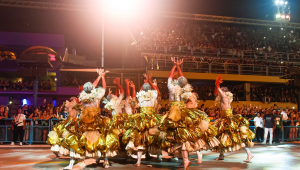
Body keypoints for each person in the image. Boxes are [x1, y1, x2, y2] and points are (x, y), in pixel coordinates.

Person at [212, 75, 255, 162]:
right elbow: (216, 92)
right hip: (223, 119)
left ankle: (249, 153)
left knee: (236, 138)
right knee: (221, 138)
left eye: (222, 90)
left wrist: (217, 82)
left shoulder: (224, 98)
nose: (220, 92)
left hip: (228, 120)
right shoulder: (222, 99)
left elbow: (218, 89)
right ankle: (221, 155)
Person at [122, 73, 161, 166]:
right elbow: (157, 92)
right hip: (152, 118)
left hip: (142, 119)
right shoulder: (153, 95)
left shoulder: (140, 96)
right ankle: (159, 156)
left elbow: (139, 91)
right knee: (155, 137)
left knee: (140, 139)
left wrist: (145, 81)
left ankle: (139, 161)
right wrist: (150, 81)